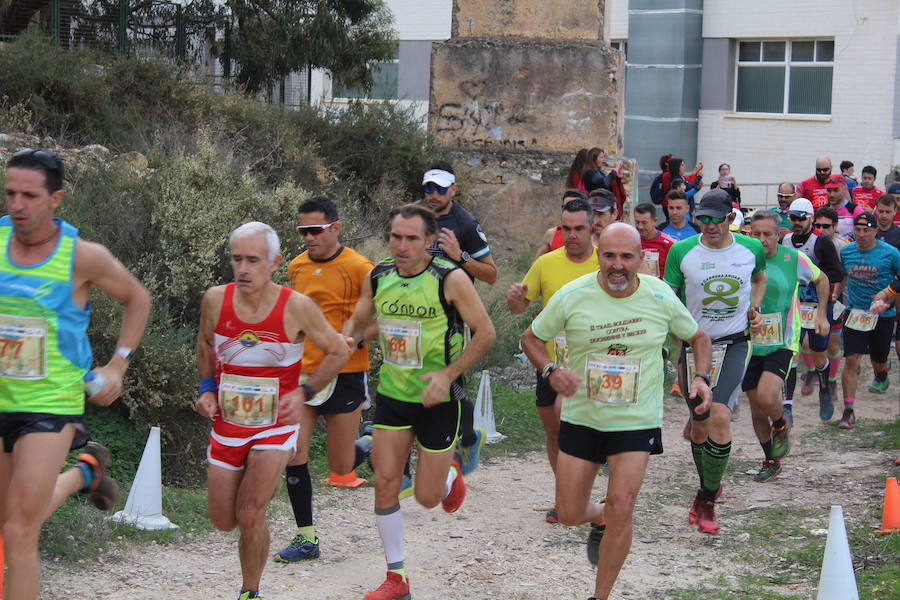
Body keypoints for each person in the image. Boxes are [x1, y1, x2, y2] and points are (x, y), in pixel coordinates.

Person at [520, 223, 712, 600]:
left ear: (642, 258)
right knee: (570, 513)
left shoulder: (659, 296)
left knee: (624, 505)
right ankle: (598, 514)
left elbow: (698, 338)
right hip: (583, 417)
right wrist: (551, 370)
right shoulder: (572, 295)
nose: (618, 265)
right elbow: (531, 338)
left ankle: (600, 595)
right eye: (609, 255)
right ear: (598, 255)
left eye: (627, 256)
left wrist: (702, 377)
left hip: (636, 420)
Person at [0, 149, 151, 600]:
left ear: (56, 199)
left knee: (18, 532)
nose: (17, 204)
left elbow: (137, 298)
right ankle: (85, 473)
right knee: (7, 520)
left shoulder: (82, 256)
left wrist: (118, 363)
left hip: (51, 407)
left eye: (30, 195)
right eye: (10, 193)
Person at [342, 204, 495, 600]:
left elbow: (485, 333)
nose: (402, 245)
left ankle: (448, 479)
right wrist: (347, 336)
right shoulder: (379, 276)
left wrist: (446, 375)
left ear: (430, 241)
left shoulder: (451, 279)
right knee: (386, 482)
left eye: (412, 238)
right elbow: (361, 322)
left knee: (427, 498)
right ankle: (397, 578)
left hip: (440, 399)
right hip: (394, 394)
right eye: (396, 237)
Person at [195, 221, 350, 600]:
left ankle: (251, 592)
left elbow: (339, 350)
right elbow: (204, 344)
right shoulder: (216, 299)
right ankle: (253, 524)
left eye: (253, 260)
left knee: (250, 510)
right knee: (223, 519)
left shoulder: (296, 307)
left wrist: (305, 391)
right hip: (228, 423)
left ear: (274, 261)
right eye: (237, 260)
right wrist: (205, 388)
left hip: (275, 426)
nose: (243, 269)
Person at [273, 197, 376, 563]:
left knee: (341, 466)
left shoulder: (361, 267)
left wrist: (358, 338)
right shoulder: (296, 266)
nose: (309, 237)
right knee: (293, 453)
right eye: (303, 231)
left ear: (336, 227)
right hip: (305, 373)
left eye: (315, 230)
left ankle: (373, 442)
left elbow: (384, 318)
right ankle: (306, 537)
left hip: (346, 372)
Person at [663, 189, 767, 534]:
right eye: (702, 218)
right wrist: (673, 343)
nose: (708, 225)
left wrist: (756, 307)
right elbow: (669, 298)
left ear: (730, 218)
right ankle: (706, 486)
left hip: (735, 343)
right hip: (694, 346)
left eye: (715, 219)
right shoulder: (681, 252)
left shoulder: (750, 248)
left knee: (720, 414)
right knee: (699, 424)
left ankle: (707, 499)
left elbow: (759, 278)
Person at [506, 198, 600, 524]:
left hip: (594, 363)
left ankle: (579, 496)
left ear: (592, 229)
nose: (572, 235)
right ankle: (565, 497)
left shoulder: (607, 261)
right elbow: (520, 307)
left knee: (582, 429)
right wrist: (515, 300)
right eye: (566, 229)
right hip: (549, 361)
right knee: (555, 430)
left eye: (578, 229)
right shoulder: (546, 263)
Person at [745, 211, 830, 482]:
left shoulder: (793, 259)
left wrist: (821, 314)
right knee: (756, 408)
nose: (761, 240)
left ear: (778, 234)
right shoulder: (742, 259)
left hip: (782, 341)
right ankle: (771, 459)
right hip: (747, 343)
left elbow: (822, 279)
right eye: (755, 234)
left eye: (767, 234)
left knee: (768, 395)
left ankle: (780, 423)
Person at [422, 162, 494, 472]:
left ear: (454, 189)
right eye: (428, 188)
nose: (433, 195)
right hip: (417, 309)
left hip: (453, 314)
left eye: (440, 188)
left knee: (451, 375)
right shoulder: (416, 217)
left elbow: (491, 274)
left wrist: (460, 257)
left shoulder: (464, 223)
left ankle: (465, 438)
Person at [781, 198, 844, 422]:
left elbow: (837, 273)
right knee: (790, 353)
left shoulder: (822, 242)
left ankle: (825, 388)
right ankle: (786, 405)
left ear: (811, 219)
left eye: (801, 218)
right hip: (792, 307)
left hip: (818, 305)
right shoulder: (785, 240)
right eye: (793, 218)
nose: (796, 222)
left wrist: (813, 278)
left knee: (818, 355)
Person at [837, 213, 900, 423]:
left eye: (866, 230)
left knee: (878, 360)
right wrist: (835, 297)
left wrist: (889, 302)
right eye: (858, 230)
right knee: (852, 360)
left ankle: (882, 371)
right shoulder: (846, 251)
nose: (861, 234)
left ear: (875, 231)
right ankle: (848, 411)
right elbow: (841, 277)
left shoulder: (891, 254)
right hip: (855, 313)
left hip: (882, 315)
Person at [535, 189, 589, 259]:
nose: (569, 210)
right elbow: (536, 263)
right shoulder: (551, 234)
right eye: (565, 206)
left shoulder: (591, 235)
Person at [633, 202, 675, 278]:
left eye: (644, 223)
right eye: (637, 222)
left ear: (655, 221)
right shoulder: (630, 242)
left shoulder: (670, 244)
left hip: (660, 288)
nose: (640, 227)